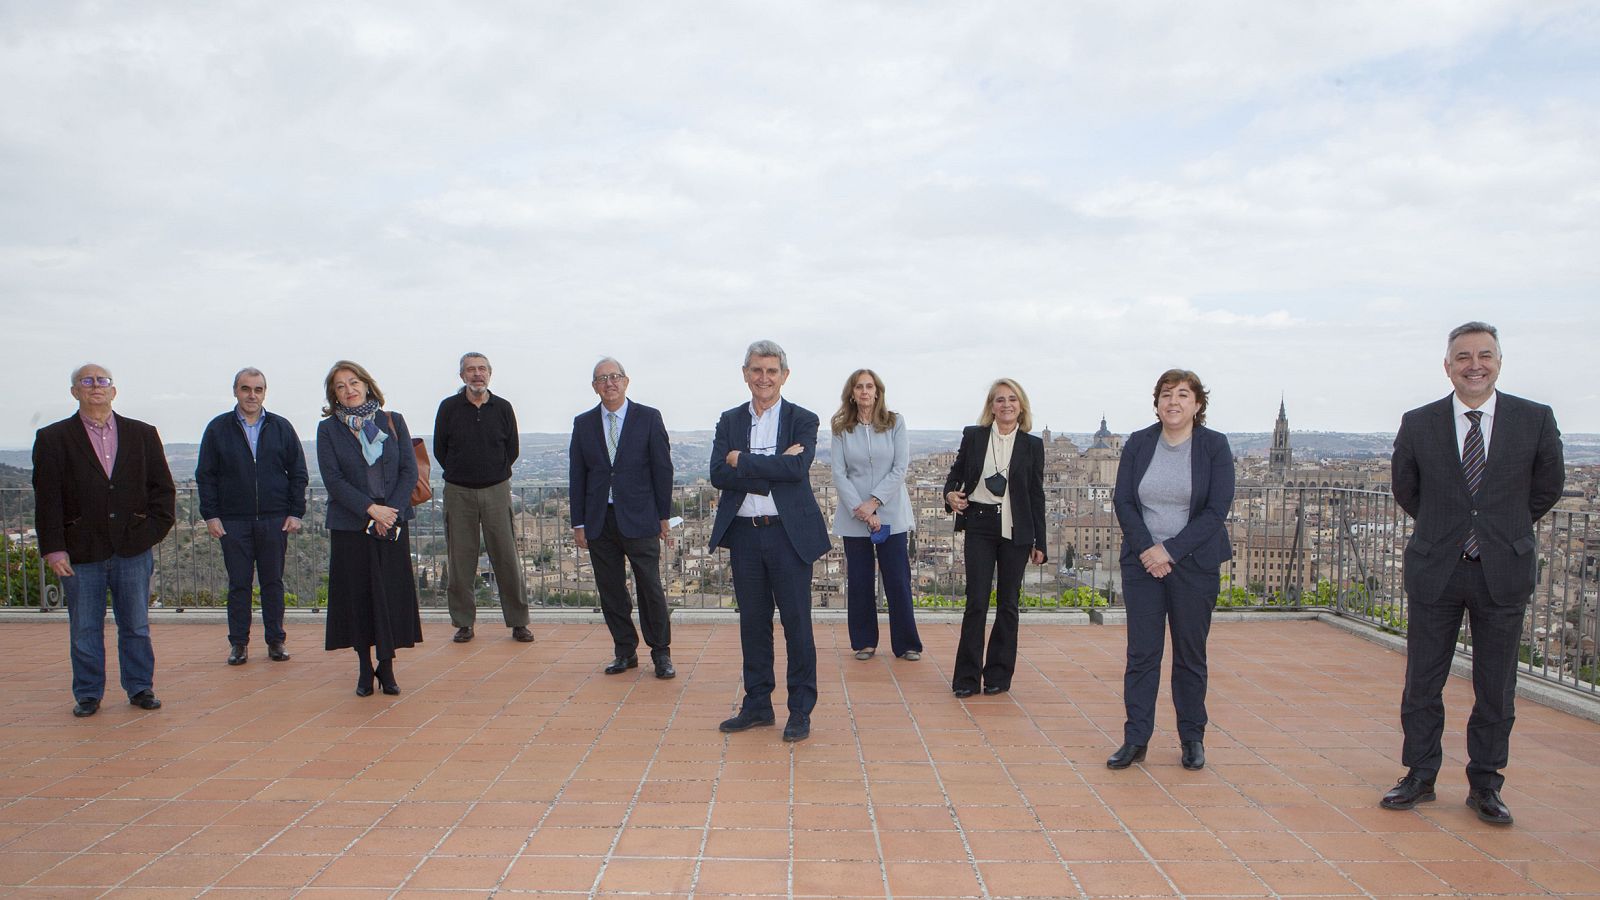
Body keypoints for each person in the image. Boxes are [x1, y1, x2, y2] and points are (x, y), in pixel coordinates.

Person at [1382, 322, 1564, 826]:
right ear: (1448, 366)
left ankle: (1485, 783)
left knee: (1496, 686)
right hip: (1437, 567)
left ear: (1499, 362)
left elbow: (1547, 488)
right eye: (1463, 356)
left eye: (1484, 355)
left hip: (1501, 569)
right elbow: (1407, 489)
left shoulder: (1534, 419)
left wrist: (1497, 528)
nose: (1474, 364)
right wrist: (1451, 527)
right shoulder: (1419, 422)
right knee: (1422, 681)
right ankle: (1419, 774)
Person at [1106, 369, 1235, 772]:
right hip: (1143, 564)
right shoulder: (1140, 443)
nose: (1173, 402)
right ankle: (1135, 739)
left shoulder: (1214, 446)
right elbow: (1123, 500)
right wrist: (1148, 549)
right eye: (1166, 394)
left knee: (1189, 655)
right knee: (1141, 654)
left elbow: (1216, 509)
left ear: (1198, 404)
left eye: (1183, 395)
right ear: (1157, 403)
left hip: (1194, 565)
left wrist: (1170, 551)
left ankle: (1192, 738)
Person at [32, 364, 175, 717]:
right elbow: (47, 499)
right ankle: (88, 694)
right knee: (84, 628)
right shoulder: (53, 438)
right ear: (75, 391)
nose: (96, 386)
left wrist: (149, 533)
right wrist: (53, 548)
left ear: (113, 390)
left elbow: (163, 490)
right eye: (87, 381)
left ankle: (140, 687)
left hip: (132, 548)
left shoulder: (142, 434)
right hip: (81, 551)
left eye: (102, 381)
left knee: (137, 625)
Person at [709, 340, 831, 743]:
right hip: (744, 536)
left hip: (788, 536)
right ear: (745, 373)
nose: (764, 378)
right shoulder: (729, 420)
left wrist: (741, 461)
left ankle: (800, 711)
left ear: (785, 376)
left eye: (772, 371)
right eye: (757, 370)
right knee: (753, 625)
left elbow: (797, 468)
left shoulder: (803, 419)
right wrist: (770, 467)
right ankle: (757, 704)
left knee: (798, 626)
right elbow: (717, 475)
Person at [317, 360, 424, 697]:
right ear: (333, 394)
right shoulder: (328, 430)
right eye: (340, 386)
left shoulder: (392, 421)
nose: (348, 390)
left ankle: (387, 668)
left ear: (366, 384)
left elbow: (409, 469)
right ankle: (365, 669)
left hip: (391, 522)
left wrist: (388, 511)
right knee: (358, 597)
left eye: (353, 382)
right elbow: (333, 479)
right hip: (352, 525)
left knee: (390, 597)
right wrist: (370, 509)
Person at [569, 357, 676, 678]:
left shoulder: (648, 417)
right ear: (594, 387)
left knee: (650, 588)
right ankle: (625, 652)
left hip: (641, 517)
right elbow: (578, 475)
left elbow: (663, 469)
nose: (609, 383)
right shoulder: (583, 423)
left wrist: (663, 515)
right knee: (611, 590)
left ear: (626, 381)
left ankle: (661, 653)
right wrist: (579, 523)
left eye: (615, 377)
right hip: (600, 520)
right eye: (602, 379)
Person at [196, 367, 309, 666]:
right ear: (235, 391)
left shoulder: (281, 427)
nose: (252, 395)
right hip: (233, 521)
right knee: (239, 585)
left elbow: (298, 473)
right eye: (246, 389)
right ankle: (239, 645)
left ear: (264, 393)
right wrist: (211, 515)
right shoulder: (218, 429)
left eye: (258, 389)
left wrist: (295, 512)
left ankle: (276, 641)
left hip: (274, 519)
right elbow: (205, 476)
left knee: (273, 583)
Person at [942, 378, 1047, 698]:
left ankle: (999, 675)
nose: (1006, 405)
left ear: (1021, 406)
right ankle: (966, 678)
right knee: (976, 602)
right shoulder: (974, 437)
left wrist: (1039, 541)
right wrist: (950, 496)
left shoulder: (1032, 445)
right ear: (991, 406)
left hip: (1016, 530)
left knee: (1008, 604)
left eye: (1012, 399)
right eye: (999, 400)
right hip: (980, 525)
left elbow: (1035, 494)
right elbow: (956, 475)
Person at [433, 352, 532, 644]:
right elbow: (441, 449)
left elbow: (511, 449)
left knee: (507, 557)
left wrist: (495, 473)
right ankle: (464, 623)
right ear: (462, 375)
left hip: (496, 490)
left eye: (482, 369)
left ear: (490, 374)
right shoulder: (449, 408)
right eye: (471, 370)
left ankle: (519, 622)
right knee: (460, 561)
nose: (477, 374)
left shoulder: (502, 408)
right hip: (458, 492)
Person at [829, 368, 923, 662]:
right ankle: (864, 642)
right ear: (852, 393)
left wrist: (874, 503)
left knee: (897, 579)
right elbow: (838, 473)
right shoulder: (841, 427)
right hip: (854, 513)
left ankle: (907, 643)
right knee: (858, 580)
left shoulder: (895, 423)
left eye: (870, 386)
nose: (865, 392)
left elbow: (900, 467)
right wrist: (862, 508)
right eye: (859, 387)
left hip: (890, 511)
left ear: (878, 392)